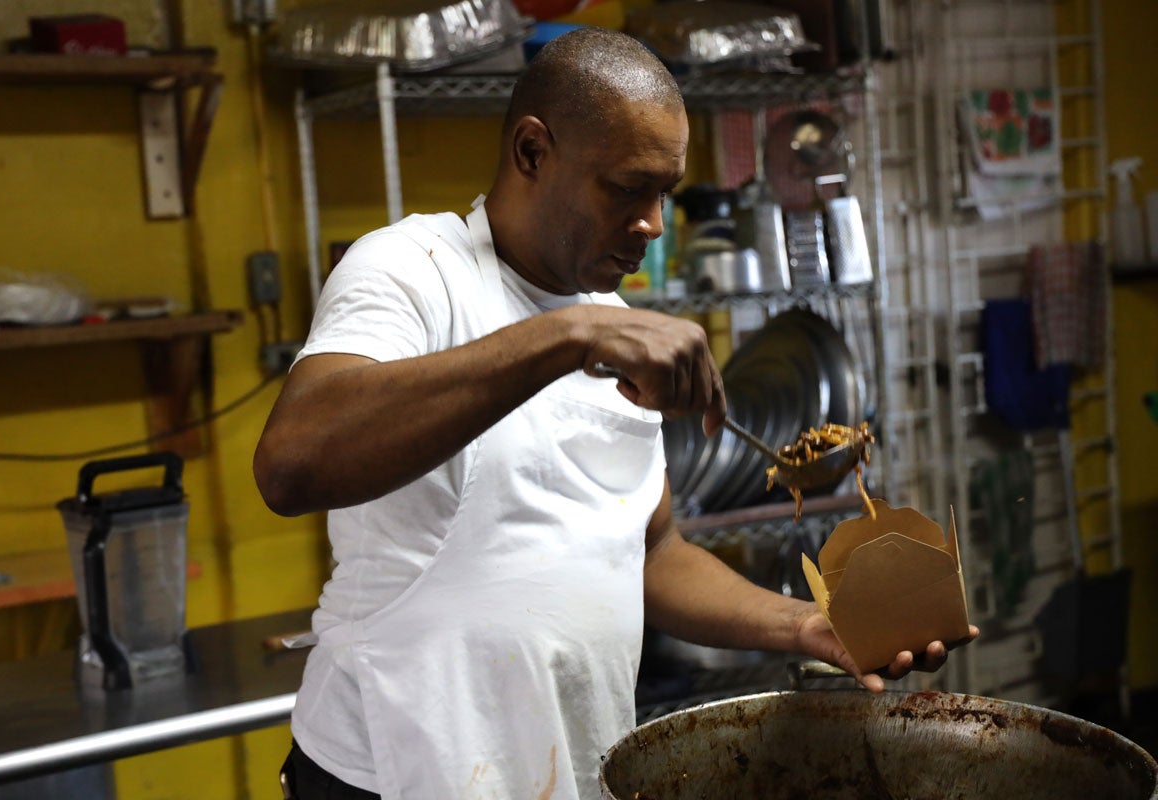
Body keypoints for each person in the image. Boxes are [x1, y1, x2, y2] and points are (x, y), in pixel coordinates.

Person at [253, 26, 977, 800]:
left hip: (562, 766)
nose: (654, 222)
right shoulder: (414, 270)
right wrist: (570, 335)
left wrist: (802, 625)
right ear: (533, 152)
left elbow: (651, 551)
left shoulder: (607, 316)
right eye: (628, 187)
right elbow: (292, 463)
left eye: (664, 191)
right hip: (393, 773)